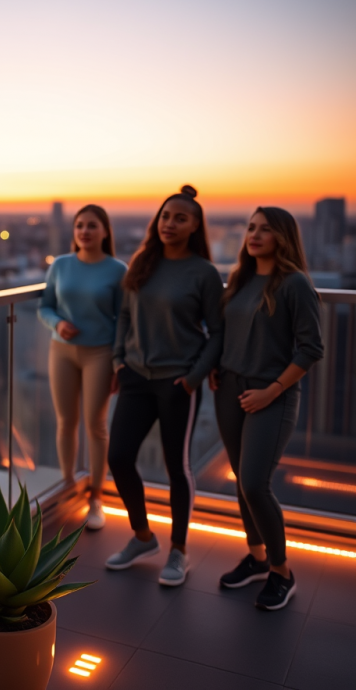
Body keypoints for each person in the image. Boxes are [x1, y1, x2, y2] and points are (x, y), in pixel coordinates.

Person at [105, 186, 223, 586]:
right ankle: (142, 537)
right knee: (119, 457)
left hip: (178, 382)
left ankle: (179, 551)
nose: (169, 224)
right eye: (165, 216)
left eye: (180, 218)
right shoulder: (142, 262)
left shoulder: (204, 272)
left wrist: (192, 378)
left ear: (194, 226)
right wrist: (119, 361)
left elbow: (217, 333)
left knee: (178, 467)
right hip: (136, 376)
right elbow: (124, 314)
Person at [211, 207, 322, 610]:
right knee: (243, 480)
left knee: (256, 484)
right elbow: (227, 332)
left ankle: (282, 572)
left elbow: (311, 348)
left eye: (265, 230)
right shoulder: (240, 278)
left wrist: (271, 391)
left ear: (283, 237)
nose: (254, 235)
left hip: (269, 395)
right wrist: (217, 368)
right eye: (251, 228)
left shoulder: (294, 284)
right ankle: (257, 559)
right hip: (229, 390)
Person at [38, 205, 126, 529]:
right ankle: (68, 485)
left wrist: (119, 363)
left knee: (96, 425)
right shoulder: (60, 265)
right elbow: (45, 307)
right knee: (65, 421)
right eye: (79, 226)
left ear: (105, 232)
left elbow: (123, 321)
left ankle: (96, 499)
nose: (84, 231)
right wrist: (57, 324)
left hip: (100, 354)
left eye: (91, 226)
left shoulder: (118, 270)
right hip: (61, 351)